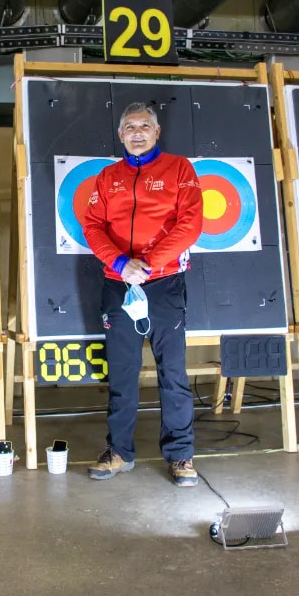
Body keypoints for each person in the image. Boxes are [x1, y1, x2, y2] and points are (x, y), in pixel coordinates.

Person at [83, 102, 203, 486]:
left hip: (164, 282)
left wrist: (147, 263)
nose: (137, 132)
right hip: (118, 284)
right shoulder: (107, 177)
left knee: (173, 373)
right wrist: (121, 264)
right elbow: (92, 226)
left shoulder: (179, 168)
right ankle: (119, 451)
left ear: (156, 132)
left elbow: (191, 224)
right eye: (130, 126)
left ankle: (181, 455)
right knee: (121, 373)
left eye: (145, 126)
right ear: (120, 134)